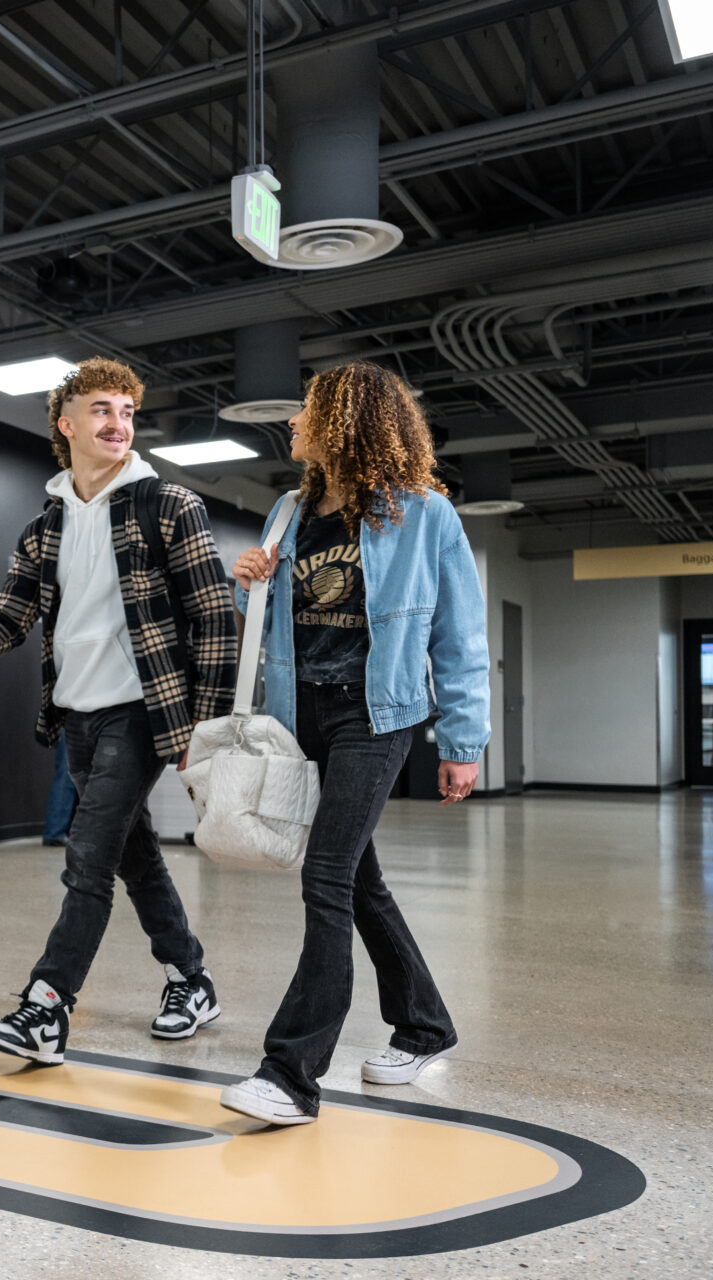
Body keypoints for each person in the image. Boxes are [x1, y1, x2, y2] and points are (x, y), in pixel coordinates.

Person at [0, 357, 238, 1064]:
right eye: (103, 410)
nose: (119, 424)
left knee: (86, 858)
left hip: (144, 710)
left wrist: (204, 726)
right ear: (67, 424)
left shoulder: (169, 506)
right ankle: (191, 979)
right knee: (133, 857)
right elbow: (11, 617)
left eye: (128, 412)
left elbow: (214, 619)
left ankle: (46, 1007)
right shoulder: (44, 528)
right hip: (77, 717)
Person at [220, 360, 489, 1127]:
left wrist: (463, 740)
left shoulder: (423, 514)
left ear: (344, 421)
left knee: (327, 875)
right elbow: (276, 617)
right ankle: (426, 1026)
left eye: (308, 409)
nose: (296, 421)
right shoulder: (285, 512)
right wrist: (250, 580)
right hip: (302, 716)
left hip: (378, 716)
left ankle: (291, 1074)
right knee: (359, 882)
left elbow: (460, 636)